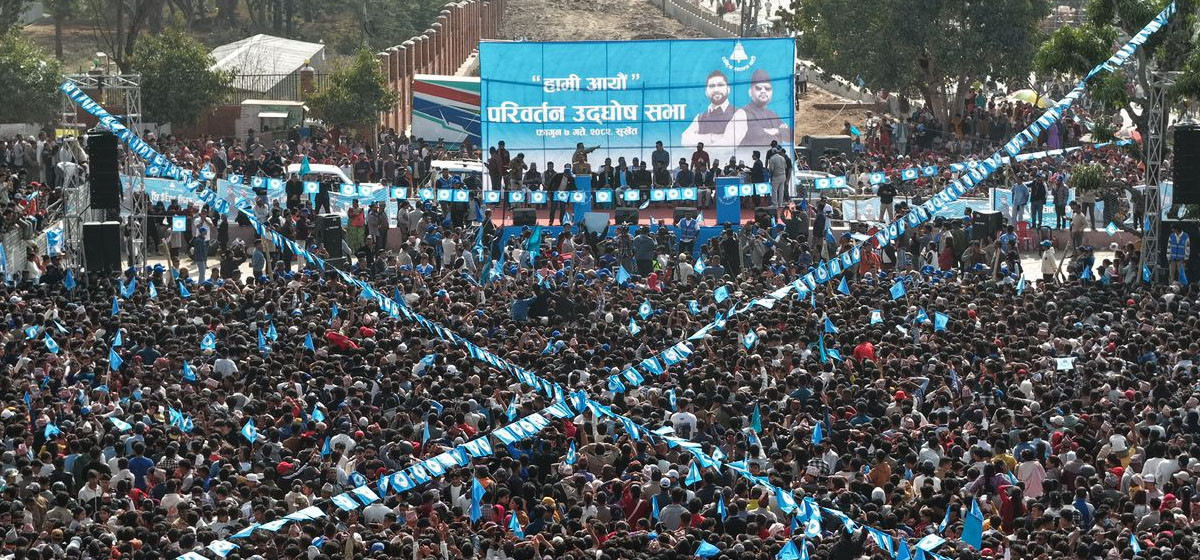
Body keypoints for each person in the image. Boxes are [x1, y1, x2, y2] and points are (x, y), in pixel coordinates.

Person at [680, 70, 746, 150]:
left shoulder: (739, 114)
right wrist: (712, 137)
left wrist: (699, 146)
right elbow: (685, 140)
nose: (716, 90)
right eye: (711, 86)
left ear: (728, 89)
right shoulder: (700, 117)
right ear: (706, 92)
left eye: (720, 85)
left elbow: (728, 145)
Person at [738, 69, 790, 154]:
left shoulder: (773, 115)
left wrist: (776, 131)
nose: (763, 91)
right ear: (750, 92)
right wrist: (779, 131)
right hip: (750, 157)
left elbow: (789, 134)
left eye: (767, 88)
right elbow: (758, 138)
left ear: (772, 92)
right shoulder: (743, 113)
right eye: (758, 88)